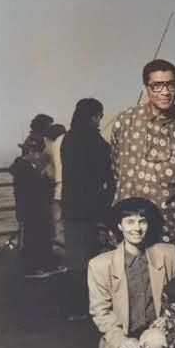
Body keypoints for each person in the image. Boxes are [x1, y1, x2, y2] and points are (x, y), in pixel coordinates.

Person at [88, 197, 175, 348]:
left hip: (155, 332)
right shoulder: (100, 265)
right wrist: (121, 340)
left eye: (142, 221)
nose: (136, 228)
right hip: (124, 335)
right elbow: (100, 311)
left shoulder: (167, 254)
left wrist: (168, 318)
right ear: (120, 226)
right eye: (129, 222)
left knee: (156, 345)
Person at [111, 59, 175, 244]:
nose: (165, 92)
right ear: (146, 88)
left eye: (171, 85)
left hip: (174, 231)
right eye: (157, 85)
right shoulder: (124, 122)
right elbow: (116, 170)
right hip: (131, 232)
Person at [61, 98, 114, 319]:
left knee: (76, 260)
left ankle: (76, 308)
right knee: (95, 259)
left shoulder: (68, 138)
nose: (100, 119)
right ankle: (94, 306)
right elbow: (106, 170)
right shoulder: (95, 141)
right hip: (93, 209)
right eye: (99, 115)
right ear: (93, 116)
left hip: (71, 208)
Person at [8, 135, 62, 278]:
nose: (39, 156)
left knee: (33, 238)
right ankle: (35, 268)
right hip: (34, 210)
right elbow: (36, 190)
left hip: (28, 210)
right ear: (31, 152)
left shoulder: (22, 167)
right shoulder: (27, 169)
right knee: (36, 238)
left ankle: (37, 267)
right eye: (37, 153)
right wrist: (47, 181)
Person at [43, 123, 66, 249]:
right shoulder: (67, 144)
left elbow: (50, 172)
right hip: (69, 188)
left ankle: (57, 246)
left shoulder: (52, 147)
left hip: (58, 187)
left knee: (56, 219)